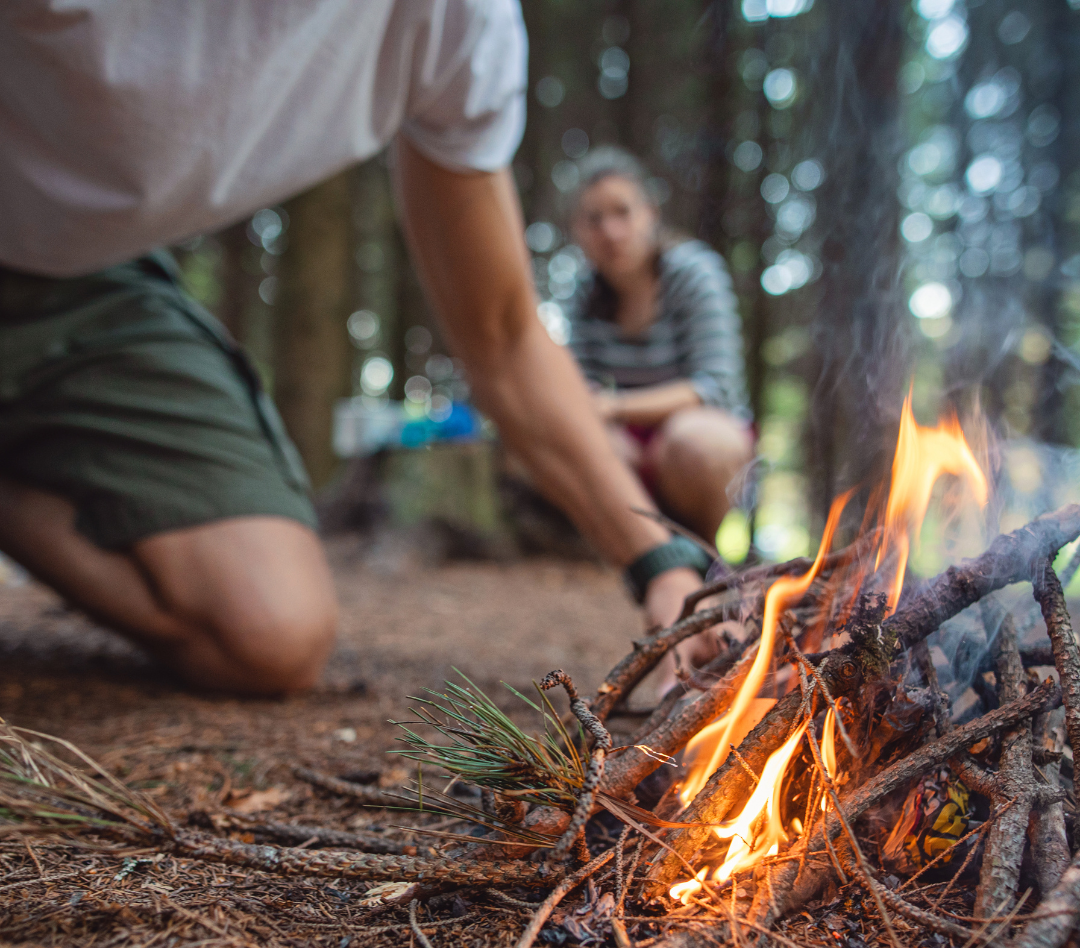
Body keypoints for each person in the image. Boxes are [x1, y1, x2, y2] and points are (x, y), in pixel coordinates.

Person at [0, 1, 716, 695]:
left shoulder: (454, 22)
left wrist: (662, 564)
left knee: (268, 628)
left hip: (89, 280)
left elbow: (503, 336)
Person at [566, 147, 755, 547]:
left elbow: (714, 389)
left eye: (622, 212)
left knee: (696, 443)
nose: (611, 232)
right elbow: (582, 391)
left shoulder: (693, 273)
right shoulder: (584, 295)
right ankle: (641, 558)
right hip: (631, 447)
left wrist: (615, 407)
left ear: (650, 213)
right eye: (594, 219)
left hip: (701, 439)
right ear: (578, 232)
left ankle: (704, 558)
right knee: (578, 444)